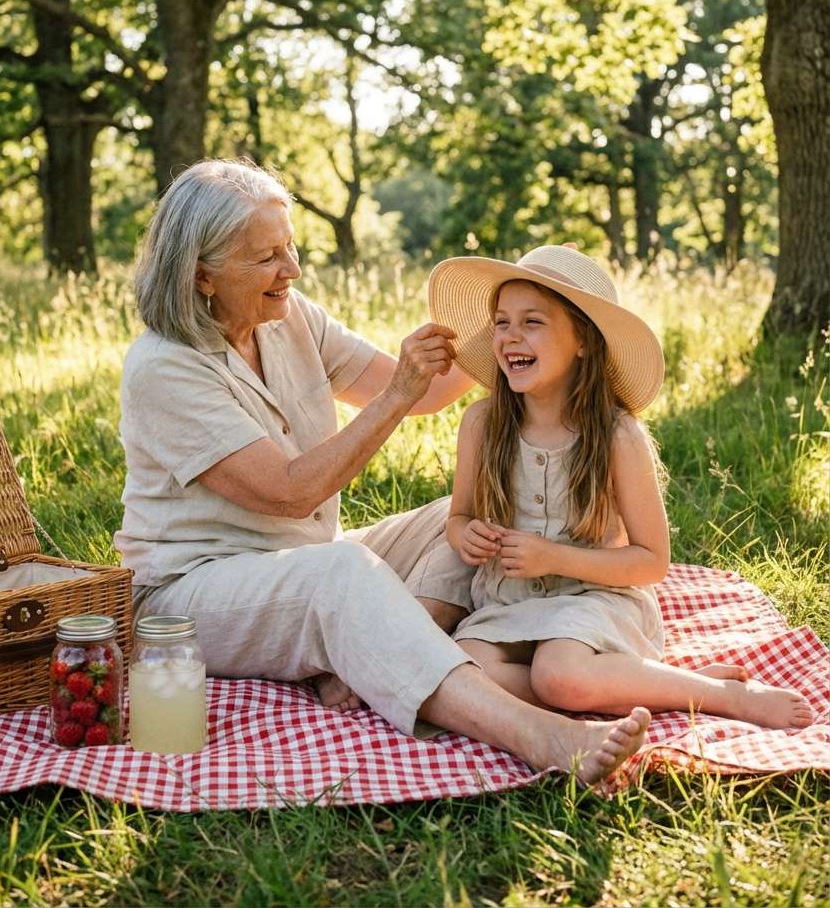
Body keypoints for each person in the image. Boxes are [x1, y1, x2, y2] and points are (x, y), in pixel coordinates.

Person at [115, 160, 651, 784]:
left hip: (305, 559)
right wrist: (398, 393)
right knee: (342, 573)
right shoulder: (163, 368)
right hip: (191, 595)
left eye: (290, 247)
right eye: (266, 257)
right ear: (202, 274)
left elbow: (427, 390)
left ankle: (375, 659)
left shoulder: (288, 316)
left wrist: (518, 321)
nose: (292, 270)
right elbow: (290, 493)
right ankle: (544, 736)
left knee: (464, 521)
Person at [428, 244, 813, 729]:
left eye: (533, 322)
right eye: (502, 322)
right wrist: (466, 535)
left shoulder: (616, 435)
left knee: (558, 675)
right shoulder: (482, 424)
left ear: (584, 342)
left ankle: (719, 695)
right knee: (464, 673)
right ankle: (643, 682)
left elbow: (651, 561)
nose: (510, 336)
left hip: (596, 599)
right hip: (509, 602)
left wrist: (553, 557)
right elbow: (458, 517)